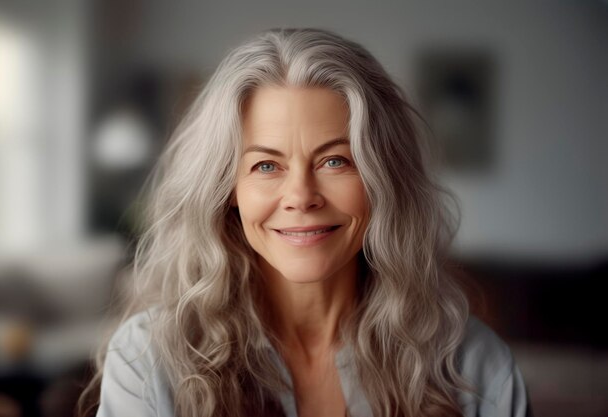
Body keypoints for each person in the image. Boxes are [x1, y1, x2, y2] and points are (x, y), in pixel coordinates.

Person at [79, 28, 531, 417]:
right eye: (265, 166)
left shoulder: (475, 366)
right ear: (227, 192)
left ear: (383, 181)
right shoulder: (149, 359)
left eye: (335, 160)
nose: (300, 197)